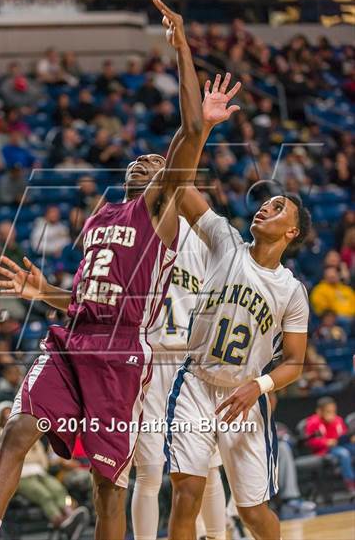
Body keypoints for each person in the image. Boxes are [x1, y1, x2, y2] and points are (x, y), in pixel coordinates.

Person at [0, 0, 241, 540]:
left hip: (122, 355)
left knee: (108, 489)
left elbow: (188, 129)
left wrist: (183, 49)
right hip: (72, 340)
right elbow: (87, 298)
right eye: (140, 159)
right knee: (20, 426)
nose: (146, 160)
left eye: (159, 162)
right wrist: (45, 290)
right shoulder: (100, 217)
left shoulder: (159, 213)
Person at [164, 102, 311, 539]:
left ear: (292, 232)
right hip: (195, 381)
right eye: (265, 204)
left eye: (278, 206)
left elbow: (294, 363)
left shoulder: (292, 291)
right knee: (186, 492)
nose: (266, 207)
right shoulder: (224, 239)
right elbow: (178, 182)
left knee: (252, 512)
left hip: (245, 393)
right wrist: (202, 127)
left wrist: (259, 386)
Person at [132, 218, 226, 540]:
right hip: (150, 361)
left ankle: (216, 535)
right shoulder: (132, 229)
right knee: (148, 471)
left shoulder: (200, 234)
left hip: (191, 359)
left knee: (208, 466)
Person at [0, 402, 90, 538]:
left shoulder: (29, 436)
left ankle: (71, 517)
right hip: (19, 476)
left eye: (10, 414)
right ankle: (61, 522)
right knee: (43, 494)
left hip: (39, 472)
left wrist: (22, 456)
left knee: (57, 489)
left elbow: (43, 461)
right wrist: (26, 456)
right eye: (4, 416)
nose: (8, 418)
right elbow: (2, 464)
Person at [305, 396, 355, 493]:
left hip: (340, 445)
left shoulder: (338, 420)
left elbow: (343, 434)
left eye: (333, 411)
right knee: (344, 453)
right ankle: (350, 483)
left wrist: (350, 438)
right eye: (328, 412)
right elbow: (310, 442)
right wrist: (326, 442)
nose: (332, 415)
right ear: (319, 412)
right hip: (325, 450)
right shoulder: (313, 423)